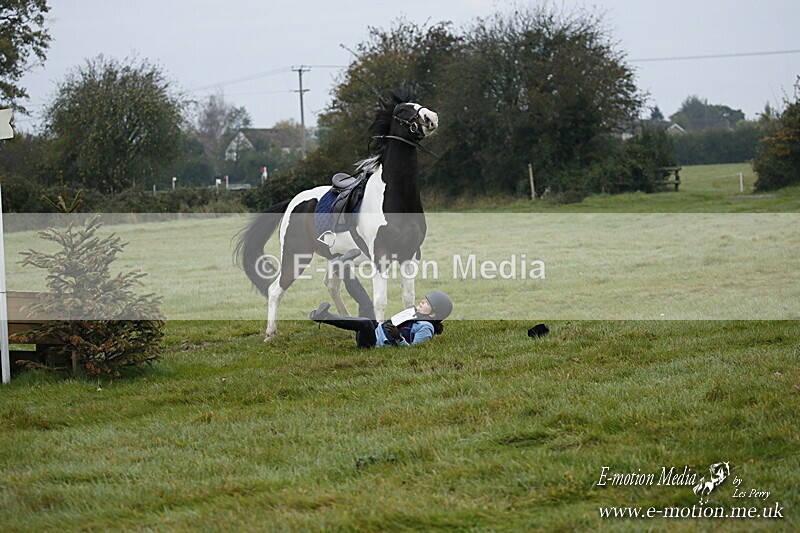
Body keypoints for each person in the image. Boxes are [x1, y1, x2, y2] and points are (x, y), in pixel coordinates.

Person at [309, 290, 453, 348]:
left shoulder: (426, 327)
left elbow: (414, 350)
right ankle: (344, 269)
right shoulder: (413, 314)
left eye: (427, 303)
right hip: (376, 330)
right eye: (424, 300)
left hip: (374, 343)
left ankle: (325, 317)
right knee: (366, 303)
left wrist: (399, 338)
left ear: (433, 314)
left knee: (365, 323)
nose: (422, 302)